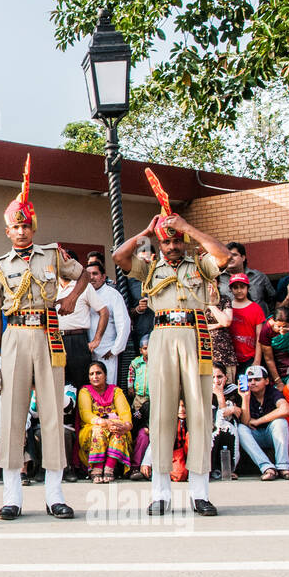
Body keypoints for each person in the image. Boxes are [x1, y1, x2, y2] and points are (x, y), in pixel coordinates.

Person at [0, 157, 87, 519]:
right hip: (14, 336)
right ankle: (12, 496)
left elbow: (83, 274)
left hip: (48, 336)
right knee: (13, 416)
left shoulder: (52, 255)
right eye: (16, 227)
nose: (22, 231)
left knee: (51, 413)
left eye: (26, 226)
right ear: (8, 232)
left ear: (33, 227)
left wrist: (72, 298)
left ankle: (54, 493)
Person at [113, 204, 231, 516]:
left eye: (177, 240)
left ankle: (200, 492)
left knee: (199, 414)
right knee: (161, 414)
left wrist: (189, 228)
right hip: (163, 334)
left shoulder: (200, 263)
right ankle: (160, 493)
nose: (173, 246)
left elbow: (223, 256)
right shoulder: (151, 268)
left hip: (195, 334)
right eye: (167, 242)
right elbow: (119, 258)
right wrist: (146, 233)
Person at [77, 360, 133, 482]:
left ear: (106, 375)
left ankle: (109, 468)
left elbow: (124, 412)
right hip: (91, 429)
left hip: (114, 426)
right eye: (91, 374)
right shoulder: (85, 391)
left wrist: (126, 426)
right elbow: (85, 414)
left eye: (98, 373)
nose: (95, 377)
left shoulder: (116, 391)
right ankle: (96, 468)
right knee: (99, 430)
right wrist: (103, 422)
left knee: (119, 431)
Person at [235, 365, 289, 480]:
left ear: (266, 381)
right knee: (241, 428)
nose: (253, 383)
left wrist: (258, 421)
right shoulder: (244, 394)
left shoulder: (273, 392)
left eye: (257, 379)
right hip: (255, 436)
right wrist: (245, 398)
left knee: (280, 422)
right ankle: (267, 468)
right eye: (249, 380)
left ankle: (283, 467)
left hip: (272, 435)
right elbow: (245, 422)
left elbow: (285, 409)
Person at [54, 263, 104, 390]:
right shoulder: (51, 287)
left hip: (77, 340)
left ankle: (82, 410)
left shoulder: (84, 287)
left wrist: (97, 340)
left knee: (82, 384)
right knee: (57, 383)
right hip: (55, 340)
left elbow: (104, 312)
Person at [85, 259, 131, 385]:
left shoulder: (113, 294)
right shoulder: (83, 294)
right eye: (88, 274)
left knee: (108, 386)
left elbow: (124, 324)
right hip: (88, 351)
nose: (91, 278)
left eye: (95, 274)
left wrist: (115, 349)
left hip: (107, 351)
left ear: (103, 277)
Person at [227, 272, 265, 374]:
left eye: (242, 287)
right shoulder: (227, 307)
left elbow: (259, 337)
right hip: (230, 357)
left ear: (248, 288)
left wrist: (257, 360)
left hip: (249, 357)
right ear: (231, 289)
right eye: (235, 287)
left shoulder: (256, 308)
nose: (239, 290)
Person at [225, 241, 276, 317]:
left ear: (243, 257)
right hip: (232, 325)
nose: (230, 258)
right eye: (227, 255)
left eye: (234, 255)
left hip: (260, 324)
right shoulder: (218, 279)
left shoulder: (259, 277)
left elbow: (272, 299)